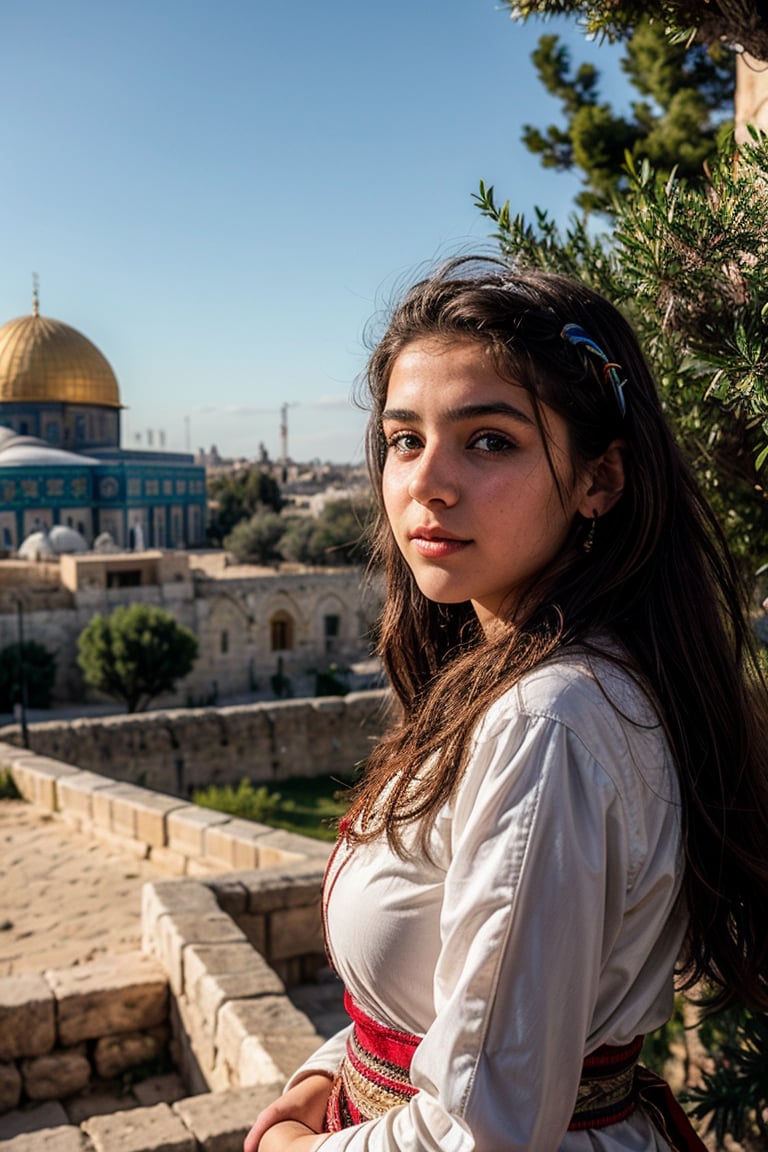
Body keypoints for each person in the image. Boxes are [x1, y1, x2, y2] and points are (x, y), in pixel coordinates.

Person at [244, 258, 768, 1152]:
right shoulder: (531, 681)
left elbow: (484, 1126)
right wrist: (332, 1069)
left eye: (489, 440)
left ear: (601, 480)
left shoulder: (549, 721)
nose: (427, 482)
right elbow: (447, 1001)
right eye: (405, 439)